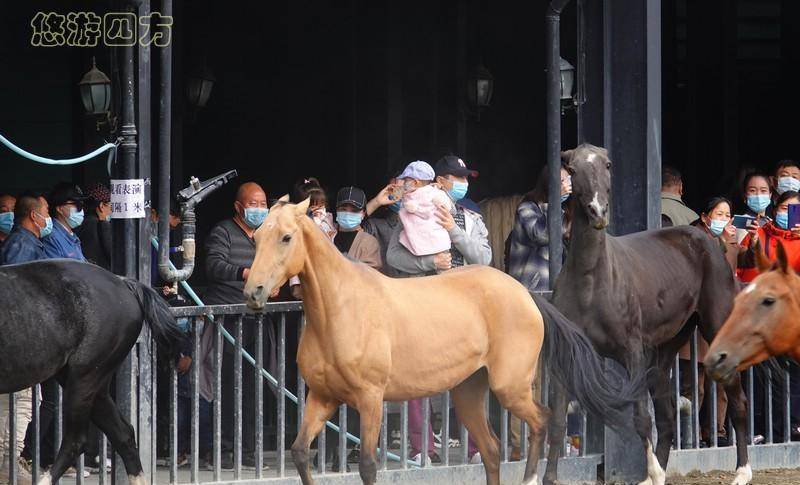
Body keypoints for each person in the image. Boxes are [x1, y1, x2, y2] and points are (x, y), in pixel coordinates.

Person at [386, 156, 491, 465]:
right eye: (455, 178)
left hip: (462, 308)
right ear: (439, 181)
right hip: (419, 306)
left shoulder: (471, 218)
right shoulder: (410, 215)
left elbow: (484, 258)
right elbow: (393, 257)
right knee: (415, 377)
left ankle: (475, 448)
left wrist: (454, 231)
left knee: (468, 373)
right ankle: (422, 449)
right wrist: (428, 264)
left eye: (464, 178)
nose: (461, 184)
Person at [204, 182, 276, 469]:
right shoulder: (223, 232)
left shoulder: (267, 235)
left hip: (257, 319)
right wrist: (245, 272)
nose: (259, 209)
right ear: (238, 206)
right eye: (253, 204)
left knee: (252, 387)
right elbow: (213, 266)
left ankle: (247, 450)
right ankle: (219, 450)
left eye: (262, 204)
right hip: (228, 321)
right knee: (223, 387)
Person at [0, 194, 52, 485]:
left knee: (28, 400)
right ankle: (6, 465)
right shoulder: (21, 244)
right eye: (45, 211)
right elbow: (13, 292)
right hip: (19, 341)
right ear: (34, 216)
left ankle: (8, 462)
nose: (49, 218)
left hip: (25, 340)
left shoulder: (28, 242)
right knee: (17, 403)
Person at [681, 197, 738, 446]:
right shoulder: (695, 239)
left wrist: (754, 245)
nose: (723, 220)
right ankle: (688, 433)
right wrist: (722, 243)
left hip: (722, 322)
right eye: (719, 214)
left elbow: (747, 262)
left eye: (727, 215)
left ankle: (717, 431)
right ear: (705, 217)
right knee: (695, 385)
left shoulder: (732, 241)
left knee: (723, 384)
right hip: (697, 323)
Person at [507, 163, 572, 292]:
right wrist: (556, 200)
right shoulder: (527, 208)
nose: (566, 186)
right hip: (531, 291)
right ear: (549, 184)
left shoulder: (564, 211)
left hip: (558, 290)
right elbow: (542, 236)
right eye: (562, 181)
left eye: (568, 180)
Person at [289, 178, 336, 299]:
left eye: (321, 205)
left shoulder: (329, 219)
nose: (317, 209)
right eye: (312, 206)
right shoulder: (295, 223)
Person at [363, 170, 403, 277]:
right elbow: (351, 231)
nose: (399, 194)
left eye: (404, 189)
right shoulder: (375, 226)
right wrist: (377, 202)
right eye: (392, 189)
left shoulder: (427, 224)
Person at [332, 186, 382, 270]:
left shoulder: (369, 242)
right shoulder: (326, 234)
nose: (348, 213)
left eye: (354, 210)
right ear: (337, 210)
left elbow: (370, 276)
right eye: (343, 209)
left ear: (363, 213)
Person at [42, 183, 88, 261]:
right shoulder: (51, 238)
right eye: (76, 204)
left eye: (81, 204)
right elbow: (55, 270)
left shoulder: (72, 236)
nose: (81, 209)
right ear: (60, 209)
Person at [75, 183, 112, 270]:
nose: (111, 210)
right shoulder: (99, 225)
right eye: (111, 206)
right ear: (101, 206)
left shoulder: (82, 223)